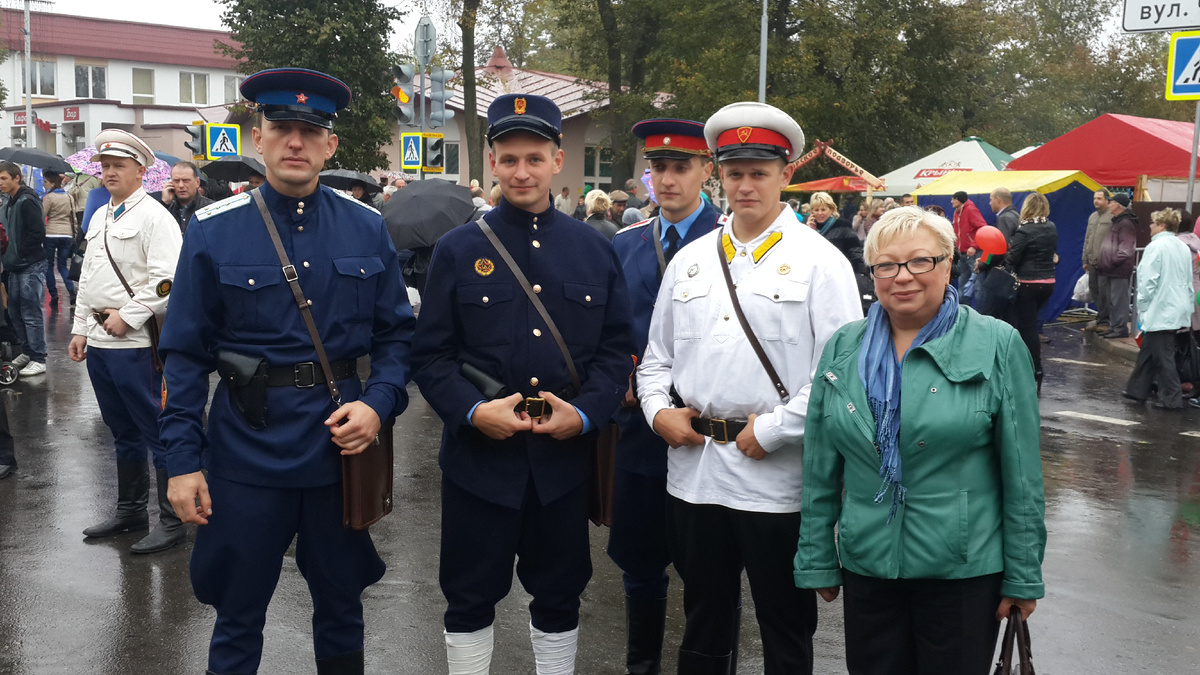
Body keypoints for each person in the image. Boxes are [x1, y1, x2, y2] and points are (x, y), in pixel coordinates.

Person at [159, 68, 414, 675]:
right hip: (246, 454)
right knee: (238, 615)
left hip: (339, 454)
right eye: (282, 128)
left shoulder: (366, 226)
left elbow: (398, 336)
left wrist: (379, 403)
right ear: (259, 136)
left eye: (311, 130)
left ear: (330, 144)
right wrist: (182, 463)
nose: (295, 141)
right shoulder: (213, 229)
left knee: (341, 611)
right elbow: (185, 355)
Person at [412, 93, 634, 675]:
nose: (521, 171)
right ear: (491, 162)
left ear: (557, 159)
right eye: (508, 159)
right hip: (478, 461)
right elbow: (431, 354)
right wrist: (470, 412)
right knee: (469, 595)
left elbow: (615, 353)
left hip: (561, 464)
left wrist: (585, 416)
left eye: (534, 158)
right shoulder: (458, 250)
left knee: (559, 595)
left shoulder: (594, 248)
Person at [638, 101, 862, 674]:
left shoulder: (821, 263)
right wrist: (658, 412)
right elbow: (656, 359)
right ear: (718, 173)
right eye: (734, 172)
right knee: (704, 621)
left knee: (784, 626)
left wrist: (777, 429)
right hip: (696, 473)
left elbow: (840, 374)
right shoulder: (690, 262)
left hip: (776, 478)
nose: (744, 186)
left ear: (786, 175)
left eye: (759, 173)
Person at [794, 205, 1047, 675]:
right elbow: (820, 462)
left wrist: (1024, 573)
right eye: (886, 265)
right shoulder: (843, 347)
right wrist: (815, 555)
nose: (903, 277)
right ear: (872, 274)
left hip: (963, 572)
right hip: (868, 565)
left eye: (920, 262)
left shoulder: (996, 343)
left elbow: (1022, 473)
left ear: (948, 263)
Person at [610, 117, 721, 675]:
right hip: (641, 429)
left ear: (707, 170)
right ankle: (642, 665)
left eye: (682, 167)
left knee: (710, 569)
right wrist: (619, 384)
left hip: (710, 432)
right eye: (659, 168)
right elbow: (607, 334)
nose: (669, 179)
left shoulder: (732, 242)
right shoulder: (625, 245)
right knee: (640, 561)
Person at [70, 130, 185, 553]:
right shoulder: (100, 215)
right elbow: (88, 279)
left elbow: (168, 279)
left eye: (119, 166)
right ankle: (131, 510)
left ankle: (172, 520)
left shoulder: (156, 217)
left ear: (141, 171)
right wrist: (81, 328)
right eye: (105, 166)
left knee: (157, 429)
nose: (110, 172)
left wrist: (130, 315)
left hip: (138, 344)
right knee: (121, 429)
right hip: (101, 342)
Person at [1124, 208, 1194, 410]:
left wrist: (1143, 306)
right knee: (1150, 348)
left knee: (1163, 355)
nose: (1150, 226)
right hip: (1177, 305)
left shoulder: (1156, 247)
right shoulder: (1181, 246)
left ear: (1162, 225)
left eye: (1153, 223)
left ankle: (1172, 397)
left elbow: (1148, 281)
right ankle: (1137, 389)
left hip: (1161, 307)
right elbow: (1187, 278)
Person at [1003, 192, 1057, 395]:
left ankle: (1035, 369)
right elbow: (1053, 254)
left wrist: (1007, 253)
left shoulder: (1024, 230)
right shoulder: (1051, 227)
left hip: (1028, 282)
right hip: (1048, 282)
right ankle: (1028, 368)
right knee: (1029, 324)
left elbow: (1013, 258)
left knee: (1027, 328)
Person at [0, 162, 47, 377]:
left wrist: (19, 254)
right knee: (14, 311)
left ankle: (38, 357)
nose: (0, 183)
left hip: (30, 264)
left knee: (30, 311)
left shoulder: (27, 200)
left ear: (16, 178)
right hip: (14, 265)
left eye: (3, 178)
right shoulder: (8, 201)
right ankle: (27, 352)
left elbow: (37, 232)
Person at [975, 187, 1020, 319]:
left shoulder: (1004, 218)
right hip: (1011, 272)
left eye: (990, 200)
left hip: (999, 275)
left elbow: (997, 249)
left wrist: (983, 264)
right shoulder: (1016, 216)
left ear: (998, 200)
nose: (989, 203)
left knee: (990, 313)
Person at [1097, 193, 1137, 339]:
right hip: (1111, 269)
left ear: (1118, 205)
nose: (1109, 205)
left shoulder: (1125, 223)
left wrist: (1110, 261)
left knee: (1118, 299)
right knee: (1112, 300)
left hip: (1118, 270)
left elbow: (1126, 249)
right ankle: (1114, 326)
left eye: (1111, 202)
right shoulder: (1119, 222)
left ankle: (1120, 328)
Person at [41, 171, 77, 308]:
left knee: (49, 265)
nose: (44, 185)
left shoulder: (49, 198)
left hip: (50, 234)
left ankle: (54, 294)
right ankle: (71, 290)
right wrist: (74, 234)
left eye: (45, 182)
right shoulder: (69, 197)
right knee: (62, 265)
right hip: (67, 234)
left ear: (52, 183)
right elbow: (73, 217)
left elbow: (42, 215)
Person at [809, 191, 866, 275]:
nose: (819, 213)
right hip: (815, 274)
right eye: (816, 210)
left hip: (839, 274)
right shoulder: (807, 227)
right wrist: (808, 230)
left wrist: (856, 273)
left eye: (823, 209)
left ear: (831, 209)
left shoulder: (843, 226)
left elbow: (856, 252)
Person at [950, 191, 986, 302]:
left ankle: (980, 312)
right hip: (962, 254)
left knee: (978, 285)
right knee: (962, 284)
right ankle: (963, 310)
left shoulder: (970, 210)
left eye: (953, 199)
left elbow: (982, 227)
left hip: (974, 254)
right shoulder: (956, 213)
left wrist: (974, 245)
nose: (951, 202)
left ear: (959, 199)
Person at [160, 161, 214, 232]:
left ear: (197, 182)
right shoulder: (165, 209)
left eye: (186, 180)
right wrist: (164, 203)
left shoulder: (210, 208)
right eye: (176, 181)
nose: (181, 185)